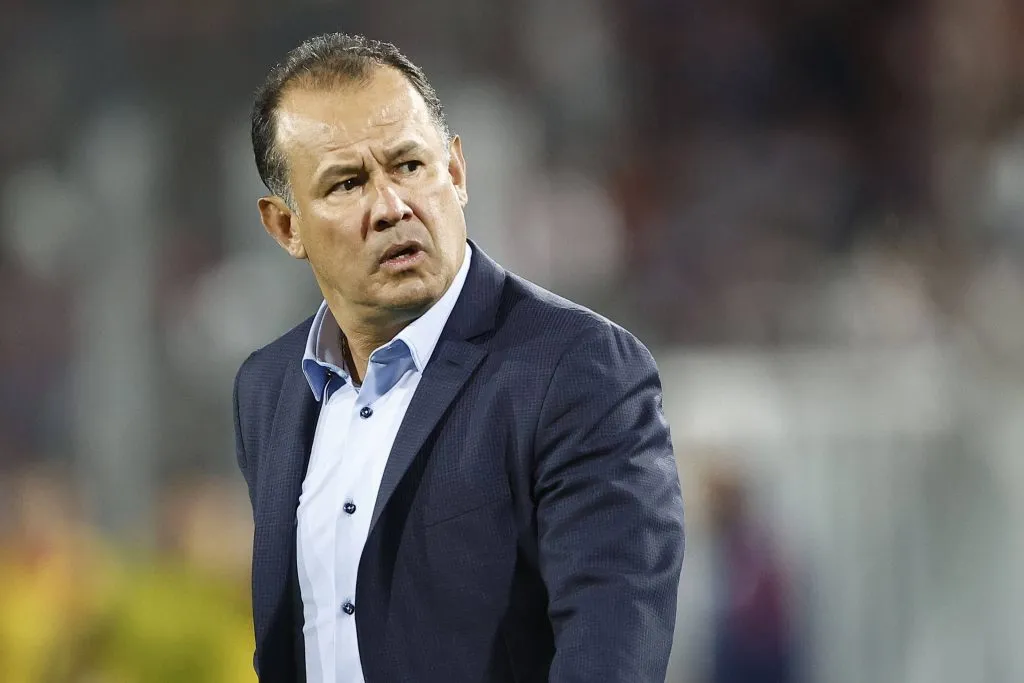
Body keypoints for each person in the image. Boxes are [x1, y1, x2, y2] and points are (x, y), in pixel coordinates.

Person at [233, 32, 685, 683]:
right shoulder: (267, 389)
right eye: (347, 183)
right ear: (285, 226)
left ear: (456, 171)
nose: (391, 207)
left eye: (409, 166)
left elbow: (612, 645)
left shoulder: (576, 370)